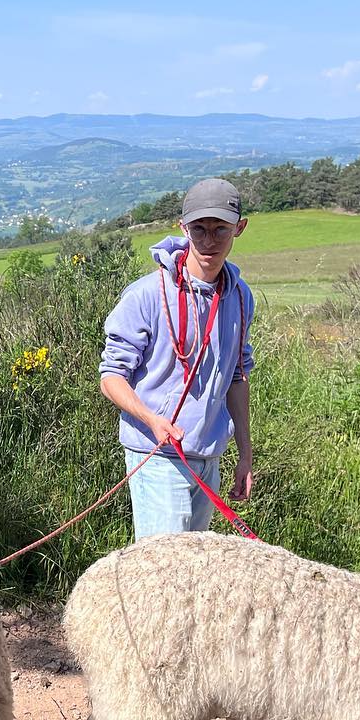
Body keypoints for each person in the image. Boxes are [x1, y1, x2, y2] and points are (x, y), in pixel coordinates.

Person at [99, 177, 255, 540]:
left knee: (192, 575)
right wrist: (151, 419)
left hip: (208, 456)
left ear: (240, 229)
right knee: (162, 572)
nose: (209, 241)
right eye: (199, 229)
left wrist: (245, 453)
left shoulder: (241, 296)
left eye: (220, 229)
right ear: (183, 228)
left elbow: (237, 375)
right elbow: (111, 376)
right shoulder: (146, 295)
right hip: (157, 455)